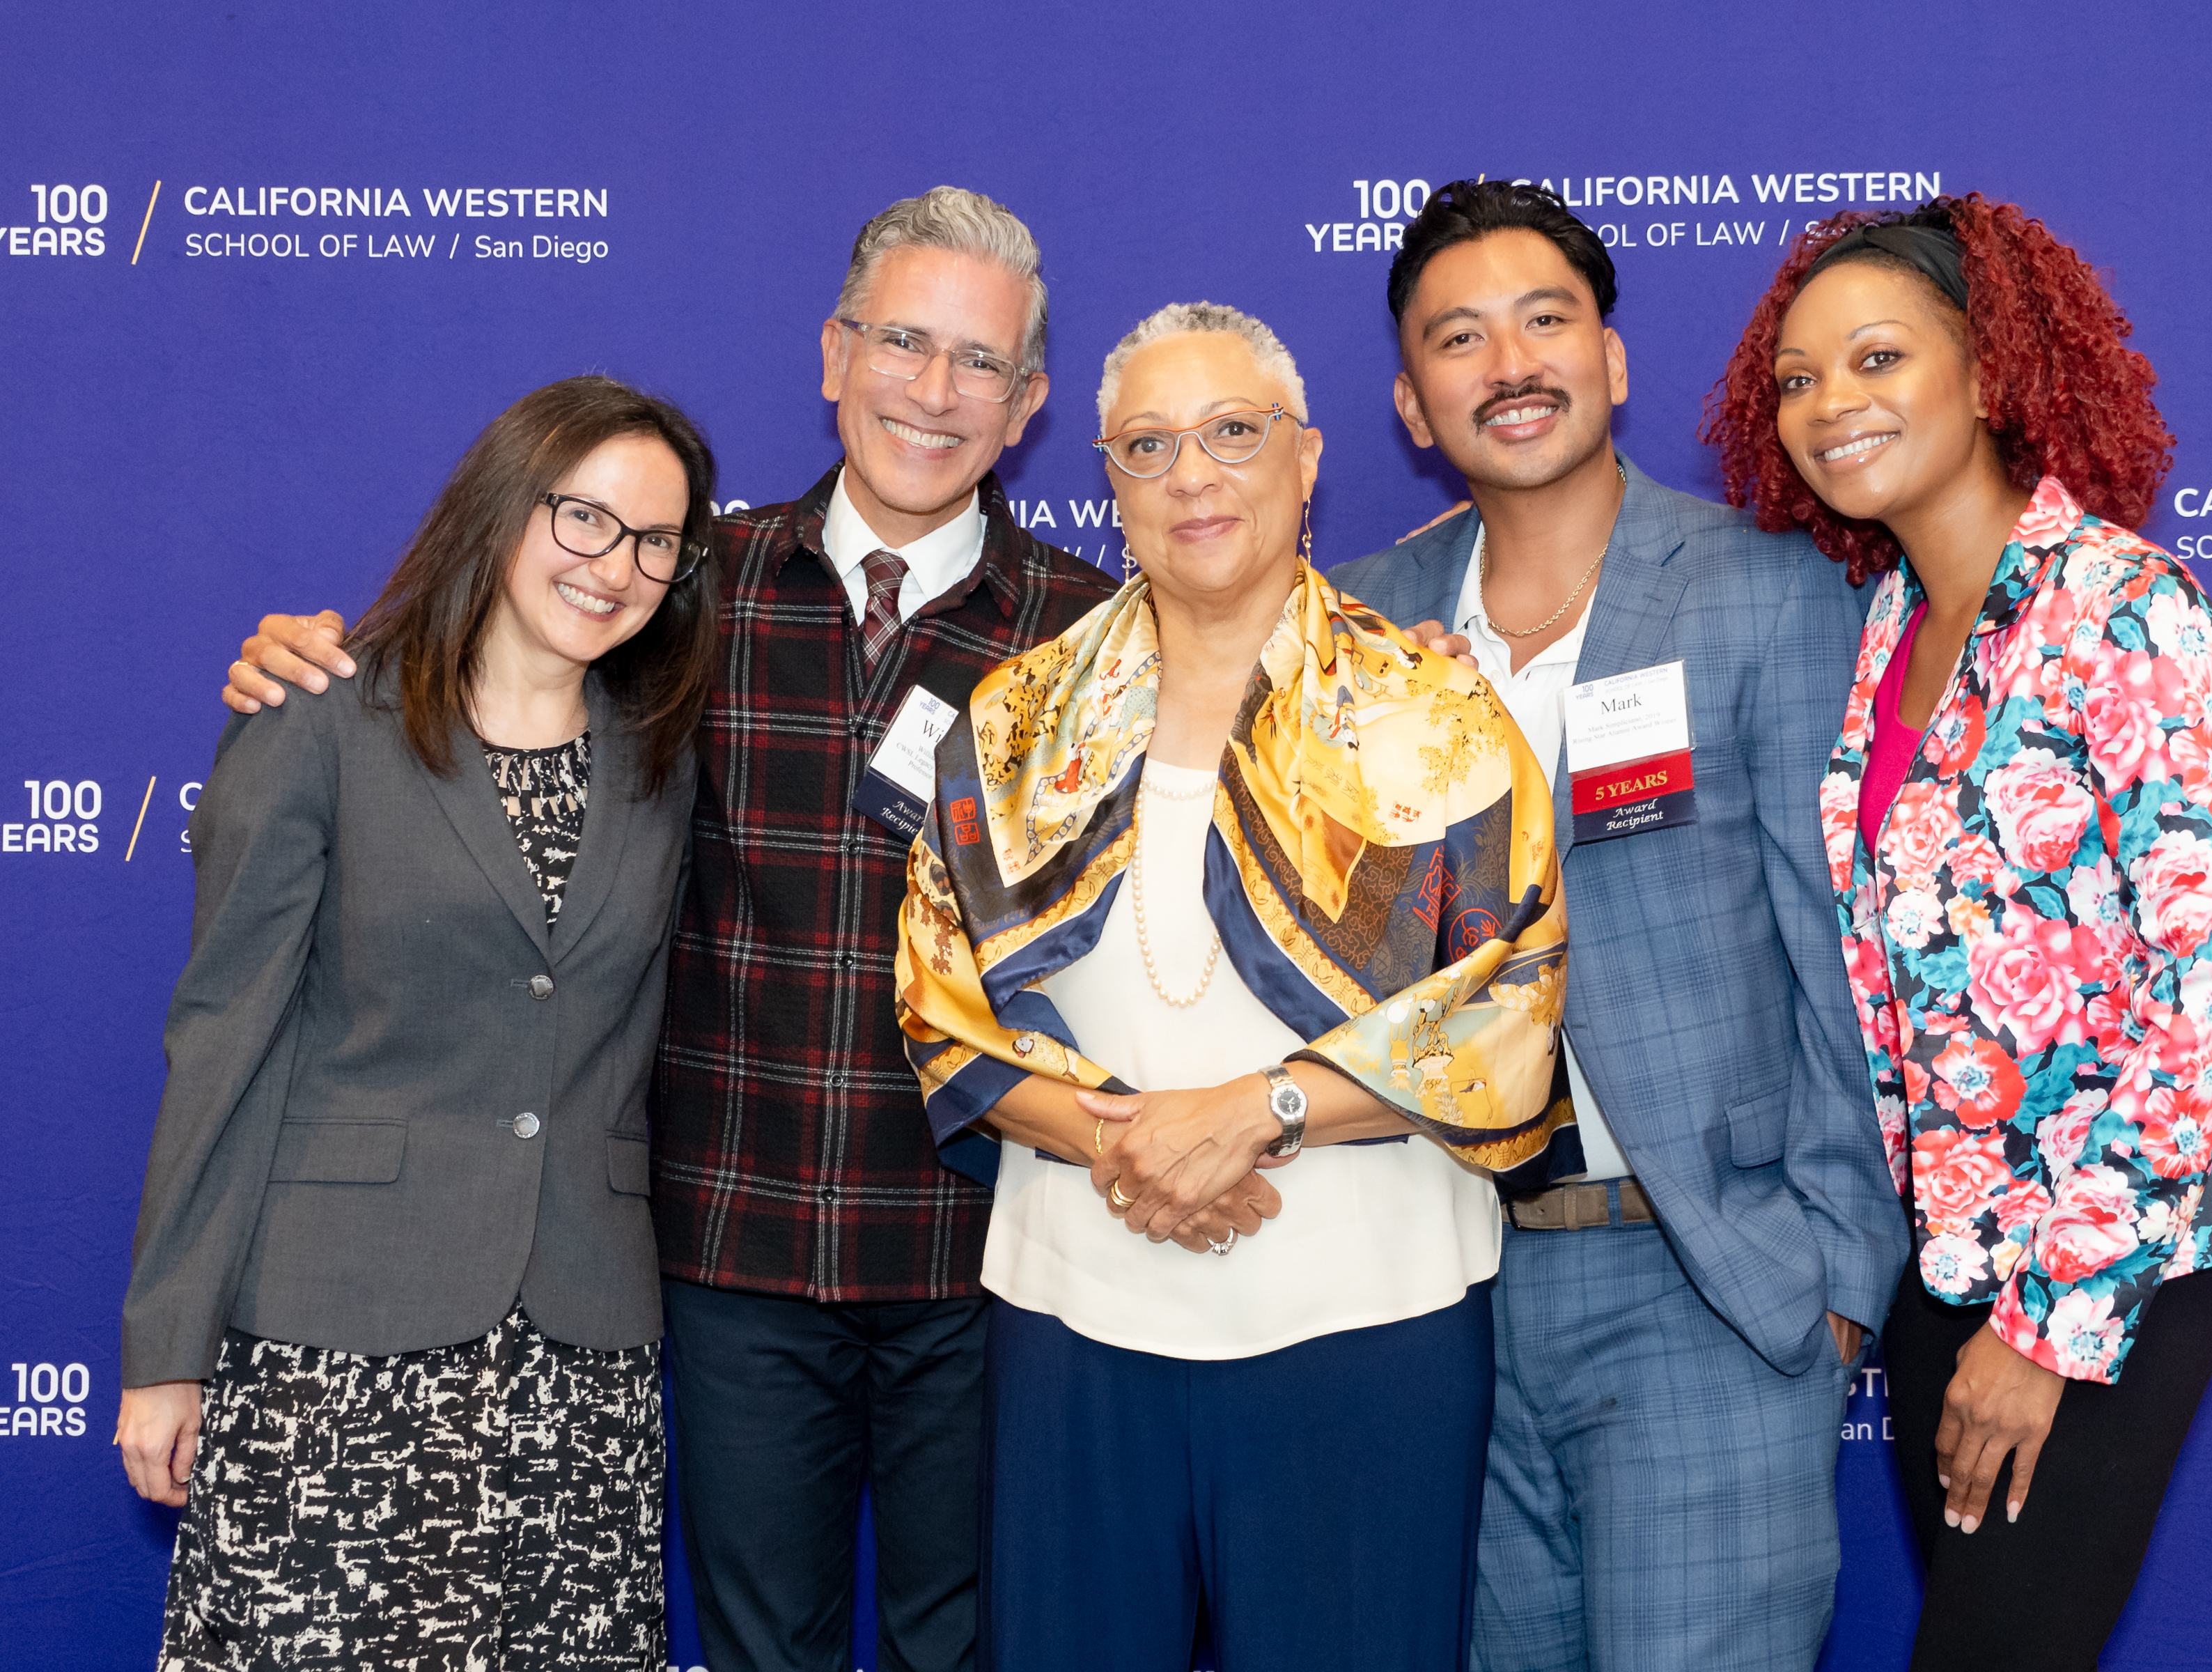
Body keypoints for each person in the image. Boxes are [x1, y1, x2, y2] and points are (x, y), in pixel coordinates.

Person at [217, 187, 1119, 1672]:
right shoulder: (679, 590)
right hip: (728, 1247)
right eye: (903, 341)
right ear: (834, 355)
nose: (933, 392)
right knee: (763, 1646)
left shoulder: (1092, 636)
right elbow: (481, 675)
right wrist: (315, 664)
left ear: (1025, 405)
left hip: (995, 1247)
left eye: (980, 364)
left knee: (978, 1645)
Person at [894, 302, 1576, 1672]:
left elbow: (1508, 1009)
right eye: (1147, 446)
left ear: (1309, 457)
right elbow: (938, 1002)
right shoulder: (1018, 726)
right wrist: (1125, 1142)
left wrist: (1256, 1112)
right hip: (1076, 1307)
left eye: (1231, 433)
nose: (1191, 476)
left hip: (1368, 1319)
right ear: (1106, 476)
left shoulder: (1428, 716)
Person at [1704, 196, 2212, 1669]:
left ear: (1990, 377)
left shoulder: (2126, 611)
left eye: (1877, 358)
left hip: (2118, 1254)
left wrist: (2050, 1327)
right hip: (1948, 1244)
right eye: (1798, 379)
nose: (1831, 405)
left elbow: (2199, 1010)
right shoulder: (1895, 627)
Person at [1329, 180, 1906, 1671]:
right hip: (1438, 1294)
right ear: (1411, 400)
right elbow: (1344, 958)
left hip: (1701, 1289)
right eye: (1460, 339)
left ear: (1615, 357)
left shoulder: (1770, 593)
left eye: (1546, 321)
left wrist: (1838, 1277)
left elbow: (1845, 947)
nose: (1508, 364)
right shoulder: (1363, 624)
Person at [120, 376, 719, 1668]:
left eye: (657, 541)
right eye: (585, 519)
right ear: (505, 506)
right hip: (334, 1346)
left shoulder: (669, 756)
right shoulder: (322, 720)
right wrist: (168, 1349)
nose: (618, 567)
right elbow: (224, 1040)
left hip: (581, 1363)